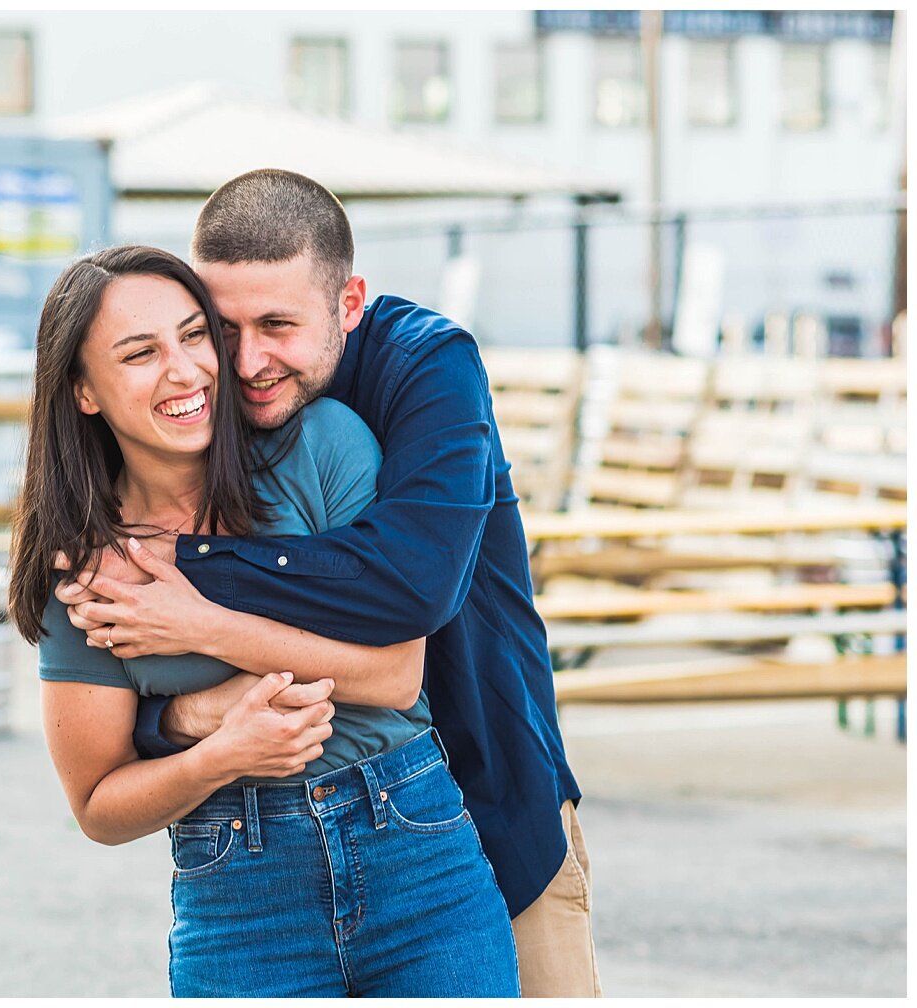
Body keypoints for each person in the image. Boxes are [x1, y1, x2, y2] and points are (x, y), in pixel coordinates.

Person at [55, 170, 601, 998]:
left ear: (349, 304)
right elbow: (106, 775)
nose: (243, 361)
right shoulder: (190, 453)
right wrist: (187, 719)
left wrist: (186, 588)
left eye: (277, 325)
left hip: (488, 791)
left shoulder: (423, 372)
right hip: (253, 871)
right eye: (220, 326)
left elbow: (409, 590)